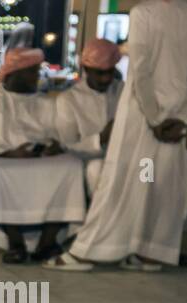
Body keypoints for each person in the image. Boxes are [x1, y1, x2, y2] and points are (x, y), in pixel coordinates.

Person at [46, 0, 187, 273]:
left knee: (121, 179)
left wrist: (155, 120)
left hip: (144, 115)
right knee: (152, 180)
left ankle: (88, 252)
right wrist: (182, 119)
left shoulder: (143, 13)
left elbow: (141, 72)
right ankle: (147, 252)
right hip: (174, 119)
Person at [0, 47, 86, 264]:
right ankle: (15, 240)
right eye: (32, 72)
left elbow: (62, 136)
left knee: (72, 165)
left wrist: (55, 147)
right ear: (14, 73)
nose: (37, 77)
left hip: (40, 161)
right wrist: (7, 153)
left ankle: (47, 241)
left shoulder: (47, 103)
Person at [54, 38, 125, 197]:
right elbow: (68, 147)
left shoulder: (124, 91)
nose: (106, 79)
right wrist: (101, 139)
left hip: (126, 159)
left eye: (110, 72)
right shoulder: (69, 100)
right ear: (86, 69)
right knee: (97, 168)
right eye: (100, 73)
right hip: (88, 165)